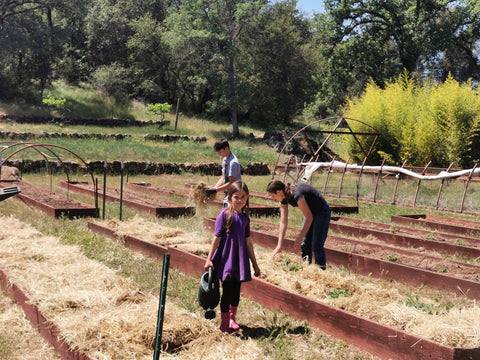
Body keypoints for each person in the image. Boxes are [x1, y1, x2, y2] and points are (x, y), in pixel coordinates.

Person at [204, 180, 261, 333]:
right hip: (226, 259)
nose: (240, 200)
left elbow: (248, 242)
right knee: (227, 291)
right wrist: (209, 259)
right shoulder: (224, 215)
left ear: (247, 197)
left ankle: (232, 318)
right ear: (230, 197)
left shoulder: (245, 218)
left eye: (243, 197)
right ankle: (223, 323)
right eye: (236, 197)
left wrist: (254, 264)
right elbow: (217, 238)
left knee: (236, 291)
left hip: (240, 260)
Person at [266, 180, 331, 270]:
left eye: (272, 196)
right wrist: (279, 246)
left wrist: (299, 238)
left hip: (321, 211)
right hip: (310, 212)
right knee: (305, 244)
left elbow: (309, 218)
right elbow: (283, 221)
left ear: (279, 192)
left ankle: (321, 271)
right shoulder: (283, 199)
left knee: (316, 245)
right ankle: (306, 269)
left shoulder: (297, 194)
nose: (273, 198)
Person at [205, 138, 242, 207]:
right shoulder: (225, 159)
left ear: (226, 148)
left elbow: (231, 183)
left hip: (235, 197)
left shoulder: (233, 163)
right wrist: (213, 188)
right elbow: (223, 177)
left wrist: (216, 190)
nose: (219, 154)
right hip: (227, 196)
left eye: (220, 152)